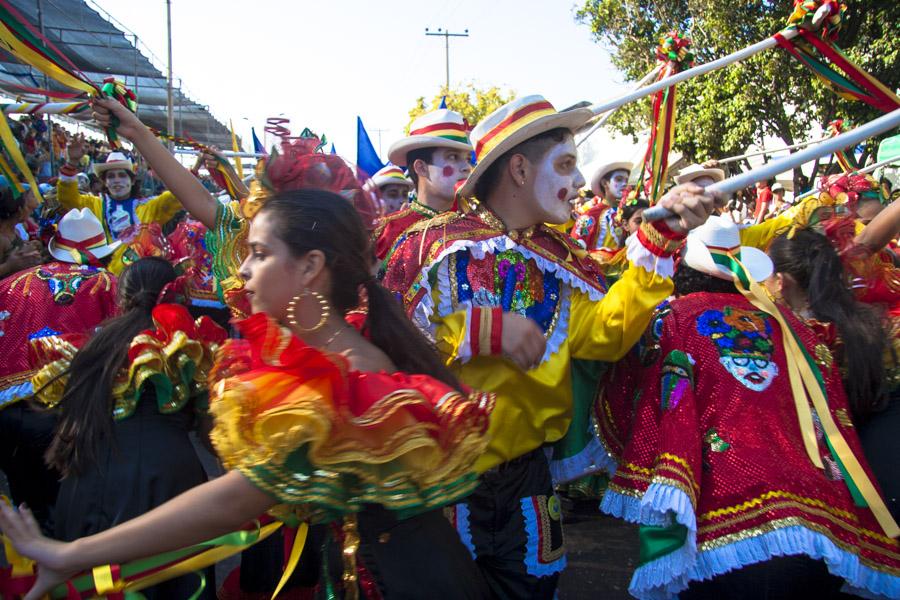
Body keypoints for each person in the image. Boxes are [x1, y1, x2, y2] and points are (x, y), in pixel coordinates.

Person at [0, 185, 495, 600]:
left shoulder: (344, 376)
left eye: (258, 254)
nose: (241, 273)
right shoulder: (338, 353)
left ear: (309, 267)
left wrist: (70, 554)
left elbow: (234, 502)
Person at [381, 95, 718, 598]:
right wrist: (484, 331)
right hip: (438, 479)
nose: (579, 183)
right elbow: (393, 343)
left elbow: (605, 335)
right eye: (565, 165)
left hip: (526, 479)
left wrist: (660, 236)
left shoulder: (560, 262)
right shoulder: (432, 245)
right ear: (518, 168)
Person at [595, 215, 899, 599]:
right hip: (820, 530)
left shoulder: (671, 321)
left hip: (722, 525)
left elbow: (628, 403)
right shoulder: (797, 331)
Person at [29, 256, 226, 599]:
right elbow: (212, 430)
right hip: (168, 482)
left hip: (88, 476)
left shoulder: (93, 343)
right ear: (178, 296)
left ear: (121, 297)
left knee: (92, 582)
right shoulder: (187, 341)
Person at [0, 208, 120, 533]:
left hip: (9, 413)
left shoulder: (11, 283)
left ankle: (35, 571)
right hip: (70, 413)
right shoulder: (107, 283)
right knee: (76, 507)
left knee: (29, 506)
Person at [374, 109, 473, 262]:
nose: (467, 167)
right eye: (453, 157)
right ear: (421, 168)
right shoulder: (389, 230)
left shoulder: (478, 223)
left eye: (467, 158)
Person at [57, 134, 184, 241]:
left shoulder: (148, 207)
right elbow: (68, 198)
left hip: (139, 269)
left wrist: (167, 172)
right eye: (111, 176)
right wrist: (71, 163)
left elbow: (178, 196)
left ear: (132, 180)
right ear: (105, 182)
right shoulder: (94, 205)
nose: (117, 180)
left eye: (122, 175)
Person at [569, 160, 632, 256]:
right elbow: (576, 248)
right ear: (604, 183)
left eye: (626, 181)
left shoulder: (630, 213)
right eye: (619, 179)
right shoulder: (589, 216)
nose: (624, 184)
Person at [0, 185, 41, 278]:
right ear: (20, 210)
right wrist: (8, 266)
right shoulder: (2, 239)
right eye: (27, 206)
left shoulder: (16, 231)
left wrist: (29, 247)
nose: (30, 210)